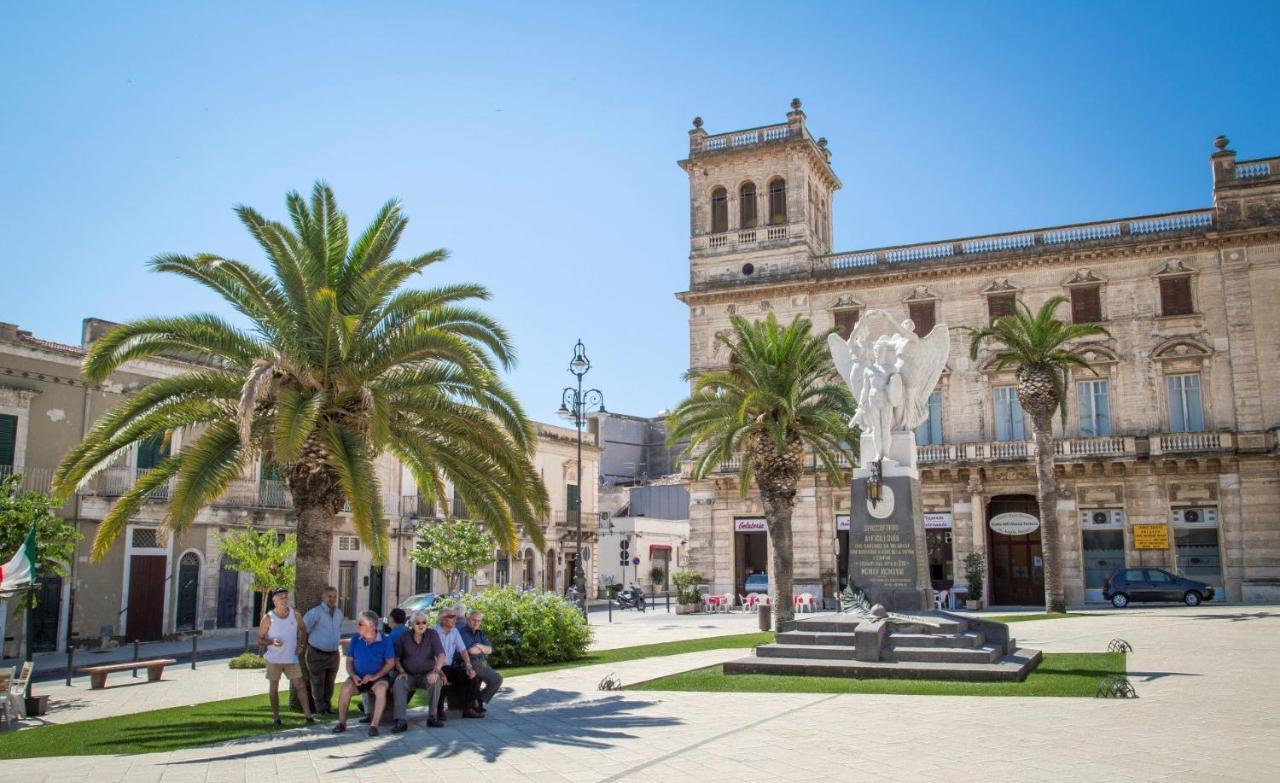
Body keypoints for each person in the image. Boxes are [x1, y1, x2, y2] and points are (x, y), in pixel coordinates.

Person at [257, 587, 316, 727]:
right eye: (281, 597)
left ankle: (308, 716)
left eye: (285, 596)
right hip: (274, 659)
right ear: (274, 600)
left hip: (291, 658)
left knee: (300, 685)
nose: (284, 599)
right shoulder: (268, 618)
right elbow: (260, 639)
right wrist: (271, 641)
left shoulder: (295, 615)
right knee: (274, 687)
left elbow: (303, 629)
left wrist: (301, 645)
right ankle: (276, 718)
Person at [332, 610, 396, 736]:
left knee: (381, 689)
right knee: (345, 689)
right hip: (358, 677)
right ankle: (342, 723)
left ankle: (374, 725)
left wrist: (374, 676)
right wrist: (353, 675)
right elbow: (349, 662)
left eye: (360, 624)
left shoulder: (385, 640)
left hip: (378, 678)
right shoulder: (356, 639)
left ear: (371, 626)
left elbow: (390, 663)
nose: (357, 626)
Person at [390, 610, 447, 732]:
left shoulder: (432, 635)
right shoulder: (404, 637)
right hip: (409, 675)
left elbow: (441, 655)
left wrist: (436, 671)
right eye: (418, 623)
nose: (421, 625)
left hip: (427, 674)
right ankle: (401, 721)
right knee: (399, 684)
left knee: (436, 681)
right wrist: (401, 671)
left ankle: (432, 717)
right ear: (411, 624)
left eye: (424, 622)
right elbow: (396, 658)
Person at [359, 606, 410, 722]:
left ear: (392, 620)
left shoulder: (392, 637)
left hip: (396, 672)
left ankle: (368, 712)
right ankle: (367, 706)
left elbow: (386, 660)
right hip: (409, 670)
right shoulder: (408, 632)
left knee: (367, 675)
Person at [434, 605, 482, 719]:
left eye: (455, 616)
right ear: (442, 619)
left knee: (472, 675)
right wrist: (438, 671)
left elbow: (463, 650)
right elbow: (430, 656)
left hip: (450, 667)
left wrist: (469, 666)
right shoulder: (434, 632)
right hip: (436, 667)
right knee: (443, 678)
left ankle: (468, 708)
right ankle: (438, 710)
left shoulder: (455, 631)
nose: (455, 619)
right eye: (451, 617)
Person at [302, 586, 343, 715]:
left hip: (333, 655)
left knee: (330, 682)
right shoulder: (315, 613)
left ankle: (328, 706)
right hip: (316, 654)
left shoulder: (339, 613)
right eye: (329, 596)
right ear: (323, 597)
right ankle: (320, 709)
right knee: (318, 682)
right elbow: (304, 629)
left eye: (334, 596)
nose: (332, 599)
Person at [459, 610, 504, 713]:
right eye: (474, 620)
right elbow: (471, 651)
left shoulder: (480, 633)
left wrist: (478, 646)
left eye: (479, 621)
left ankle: (478, 699)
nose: (476, 623)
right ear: (467, 620)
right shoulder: (463, 632)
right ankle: (476, 702)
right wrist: (481, 647)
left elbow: (490, 650)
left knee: (497, 679)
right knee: (492, 678)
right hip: (469, 663)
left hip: (481, 661)